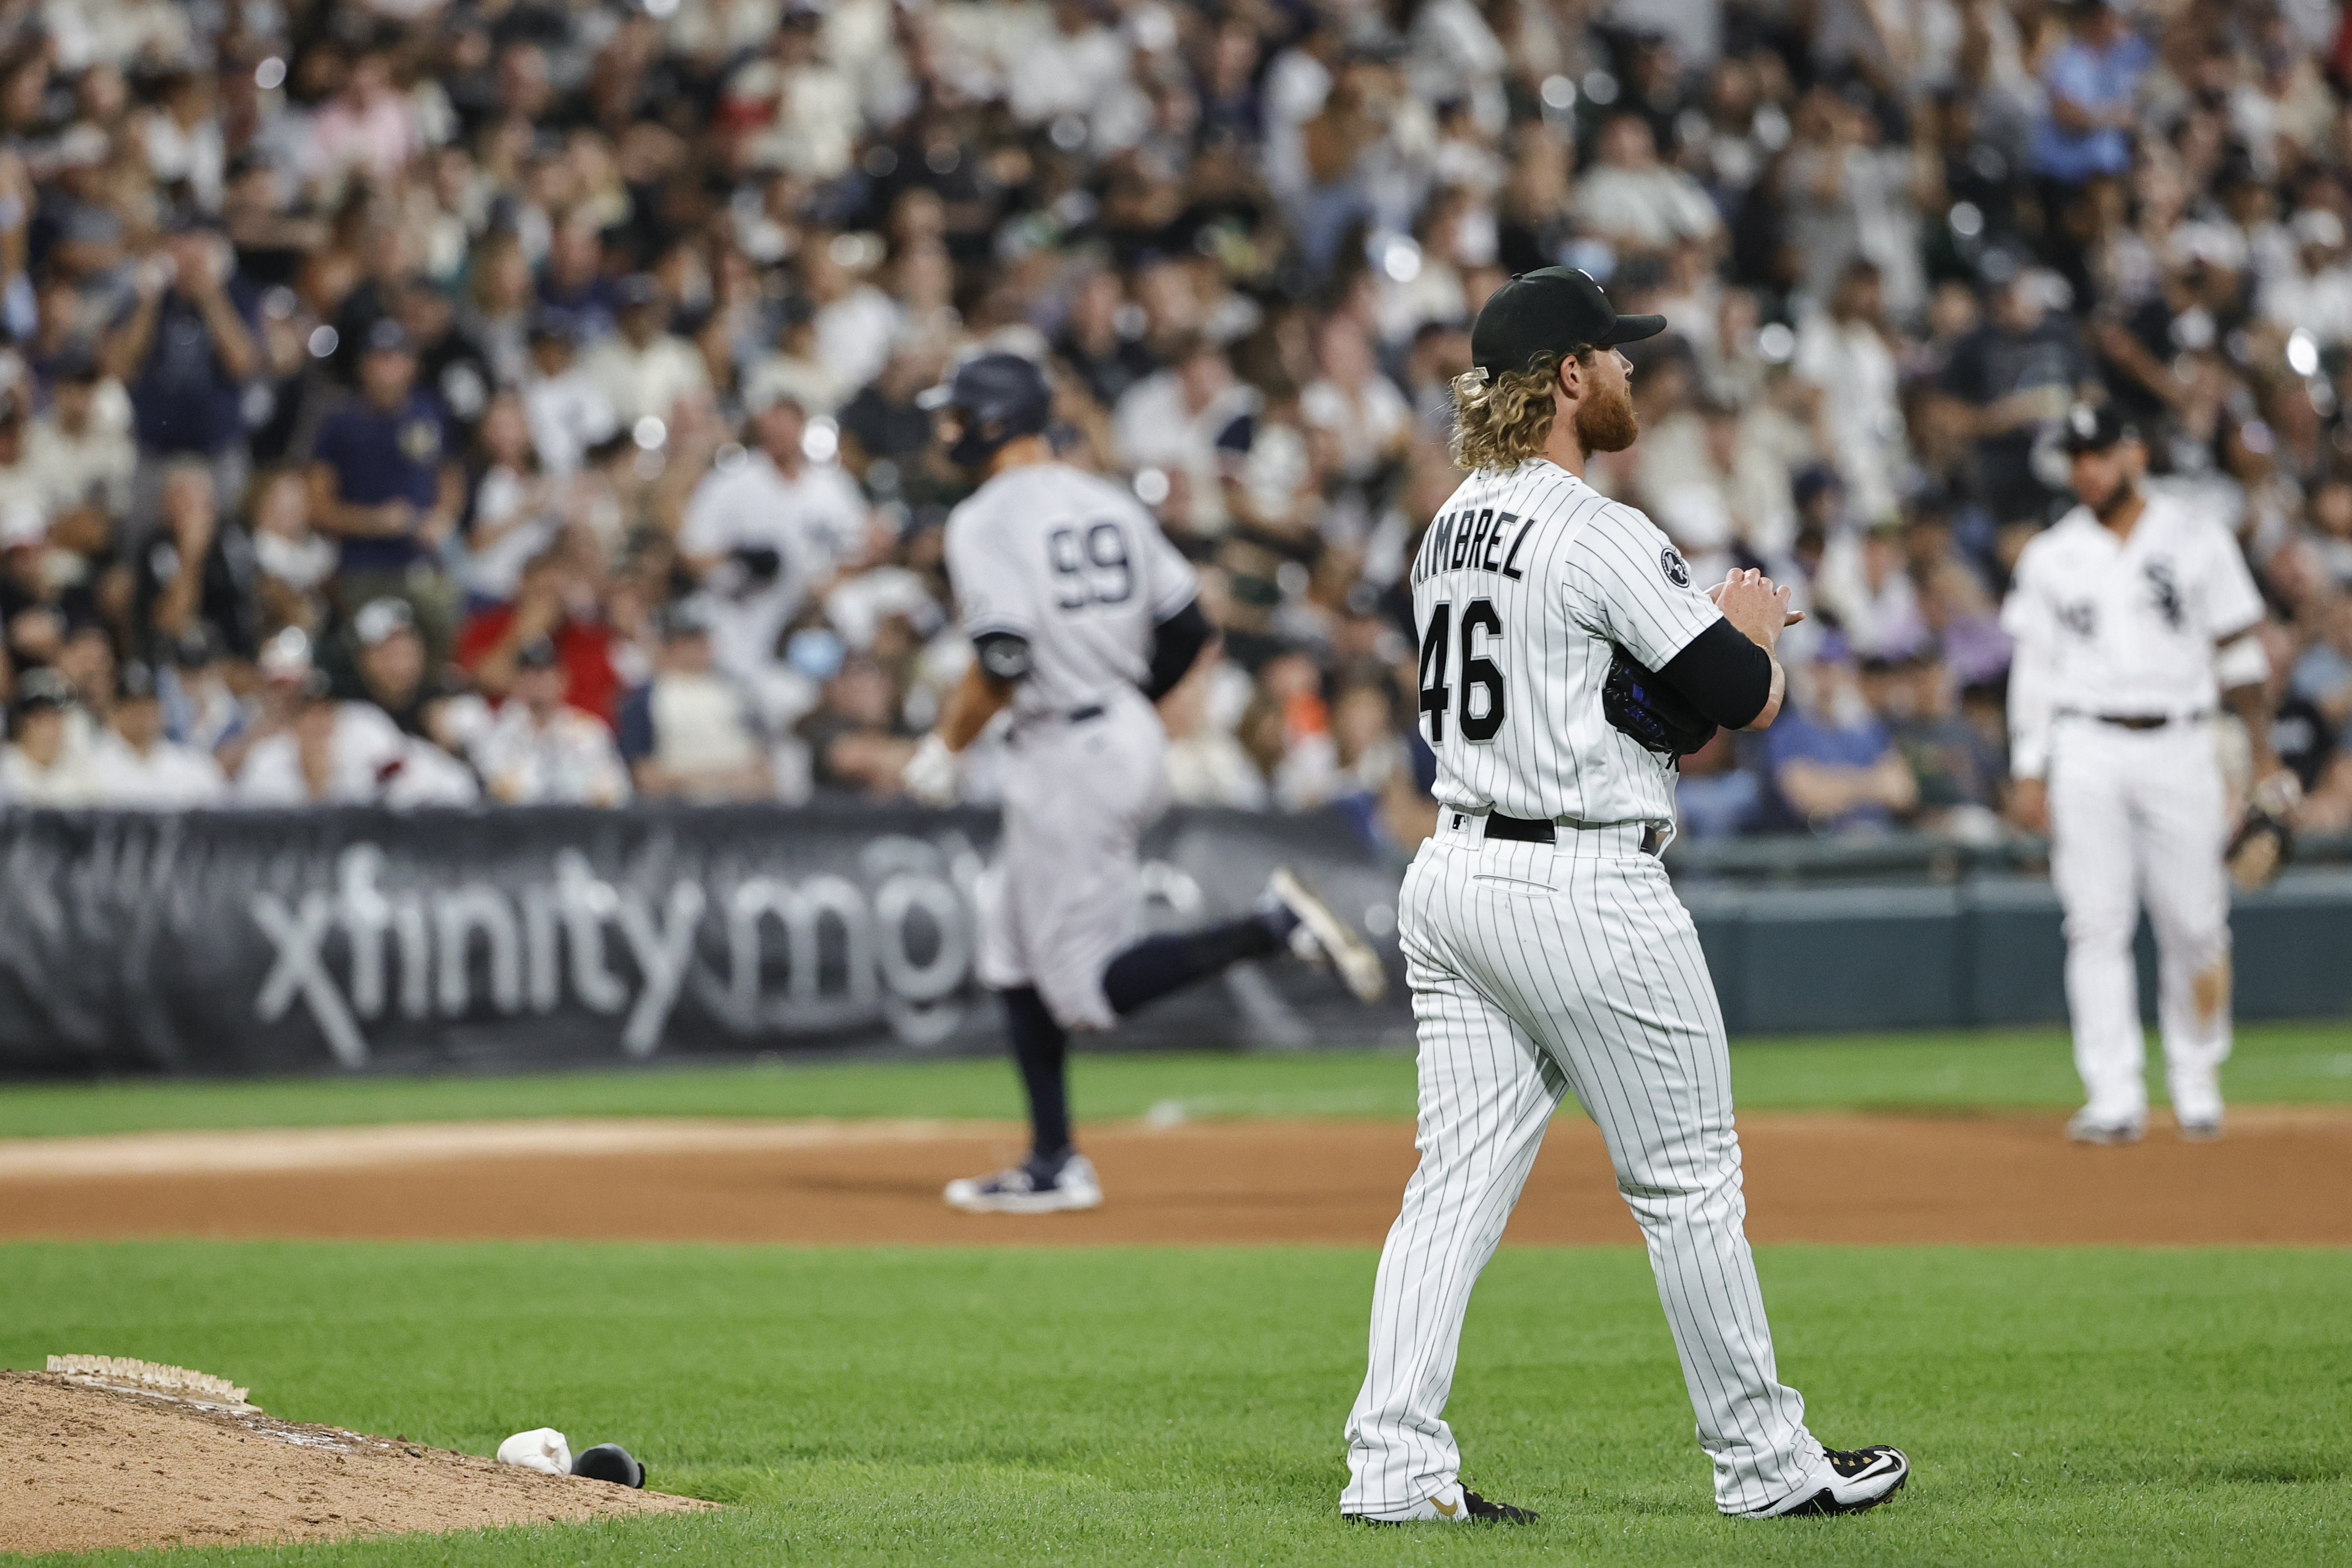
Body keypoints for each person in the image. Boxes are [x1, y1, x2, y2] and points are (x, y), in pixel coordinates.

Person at [1342, 268, 1908, 1525]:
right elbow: (1739, 698)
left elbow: (1607, 693)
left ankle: (1390, 1465)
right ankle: (1765, 1465)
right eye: (1615, 353)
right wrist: (1750, 626)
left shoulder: (1443, 526)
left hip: (1454, 870)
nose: (1632, 370)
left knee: (1450, 1188)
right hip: (1580, 881)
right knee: (1689, 1181)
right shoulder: (1596, 526)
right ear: (1567, 379)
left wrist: (1662, 696)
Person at [898, 351, 1387, 1215]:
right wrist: (1131, 699)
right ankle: (1051, 1158)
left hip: (1065, 750)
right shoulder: (1102, 497)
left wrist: (944, 747)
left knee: (1081, 995)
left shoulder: (983, 518)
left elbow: (1002, 658)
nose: (945, 430)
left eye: (956, 415)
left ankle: (1265, 928)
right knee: (1008, 947)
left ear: (990, 420)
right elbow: (1188, 623)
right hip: (1107, 729)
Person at [2003, 404, 2288, 1143]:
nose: (2087, 467)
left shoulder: (2196, 536)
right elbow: (2033, 671)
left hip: (2182, 741)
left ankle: (2196, 1079)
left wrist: (2262, 754)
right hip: (2087, 745)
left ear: (2132, 453)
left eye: (2098, 452)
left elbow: (2240, 654)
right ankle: (2114, 1094)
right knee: (2095, 922)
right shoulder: (2052, 554)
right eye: (2076, 455)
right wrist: (2029, 766)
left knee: (2195, 923)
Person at [307, 319, 463, 656]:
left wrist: (443, 516)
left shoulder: (430, 412)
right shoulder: (340, 425)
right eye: (378, 359)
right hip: (365, 567)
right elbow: (317, 507)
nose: (386, 369)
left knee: (449, 637)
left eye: (395, 358)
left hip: (423, 560)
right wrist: (376, 521)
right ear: (363, 365)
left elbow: (451, 475)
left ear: (412, 365)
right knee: (379, 651)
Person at [470, 637, 631, 805]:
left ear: (562, 679)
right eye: (528, 674)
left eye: (544, 673)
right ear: (517, 681)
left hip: (577, 824)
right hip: (517, 826)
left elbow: (616, 791)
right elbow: (488, 791)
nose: (537, 682)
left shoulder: (588, 731)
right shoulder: (497, 732)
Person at [89, 660, 226, 807]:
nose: (145, 713)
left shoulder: (188, 763)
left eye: (150, 704)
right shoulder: (92, 763)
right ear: (114, 710)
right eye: (134, 705)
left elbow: (220, 806)